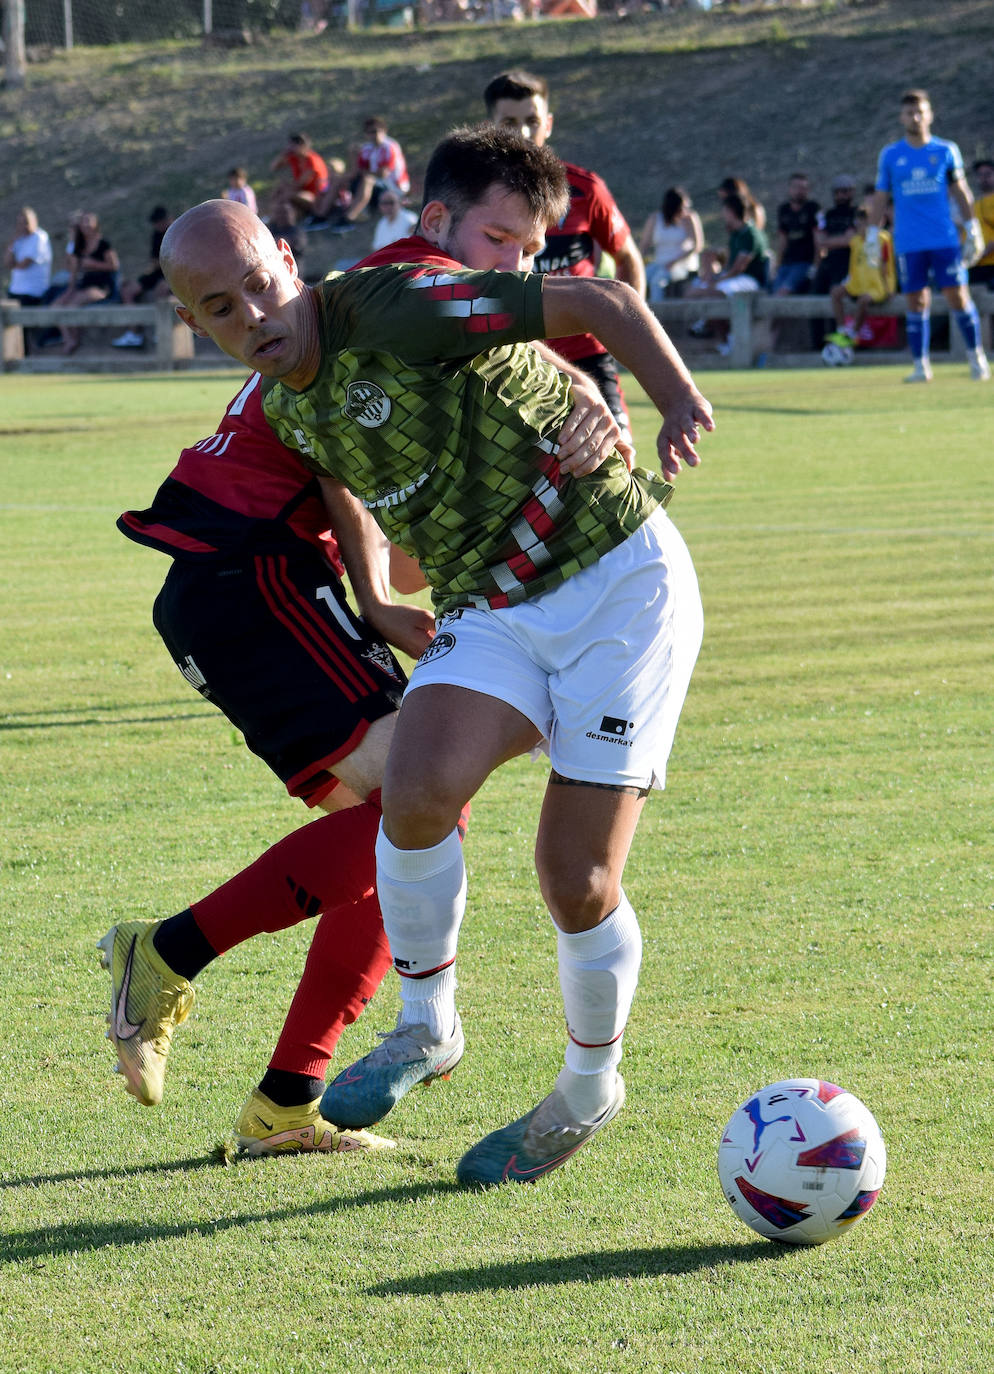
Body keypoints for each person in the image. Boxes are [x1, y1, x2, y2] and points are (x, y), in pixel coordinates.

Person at [158, 125, 713, 1189]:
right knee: (414, 792)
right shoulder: (287, 403)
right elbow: (389, 531)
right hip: (495, 601)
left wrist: (669, 401)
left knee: (576, 876)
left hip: (617, 584)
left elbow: (595, 302)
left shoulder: (392, 301)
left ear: (290, 259)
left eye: (262, 286)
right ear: (193, 325)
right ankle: (428, 1030)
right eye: (220, 311)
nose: (253, 318)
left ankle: (589, 1089)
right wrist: (384, 582)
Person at [483, 69, 647, 440]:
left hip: (588, 359)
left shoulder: (586, 190)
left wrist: (627, 330)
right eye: (509, 122)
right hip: (510, 359)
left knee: (619, 463)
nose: (522, 133)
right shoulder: (471, 201)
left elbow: (629, 259)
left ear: (549, 124)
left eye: (532, 121)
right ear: (489, 125)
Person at [869, 89, 990, 383]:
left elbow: (961, 191)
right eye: (910, 112)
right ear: (902, 117)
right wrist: (873, 233)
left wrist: (973, 229)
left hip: (944, 238)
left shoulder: (945, 150)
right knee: (915, 300)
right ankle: (921, 365)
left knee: (957, 296)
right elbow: (881, 196)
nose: (916, 117)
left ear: (930, 114)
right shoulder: (891, 155)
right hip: (909, 241)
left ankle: (977, 358)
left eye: (921, 111)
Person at [685, 192, 770, 354]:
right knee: (694, 290)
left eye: (725, 211)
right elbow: (729, 265)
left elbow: (739, 268)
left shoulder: (751, 234)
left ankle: (716, 330)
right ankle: (709, 326)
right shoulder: (735, 234)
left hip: (750, 280)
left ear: (732, 211)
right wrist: (713, 276)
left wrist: (716, 281)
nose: (723, 215)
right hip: (733, 278)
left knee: (715, 292)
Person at [821, 205, 897, 364]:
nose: (863, 227)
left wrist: (889, 288)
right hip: (858, 282)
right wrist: (848, 282)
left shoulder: (883, 239)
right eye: (860, 223)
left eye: (867, 223)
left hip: (877, 285)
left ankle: (853, 333)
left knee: (863, 300)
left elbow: (885, 264)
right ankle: (842, 330)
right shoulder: (855, 241)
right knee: (836, 293)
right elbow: (854, 265)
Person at [52, 211, 119, 355]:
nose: (86, 224)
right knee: (56, 306)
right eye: (84, 222)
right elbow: (74, 271)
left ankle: (75, 340)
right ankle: (68, 338)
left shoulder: (103, 244)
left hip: (101, 286)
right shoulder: (79, 246)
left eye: (89, 221)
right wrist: (69, 290)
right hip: (82, 285)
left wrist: (94, 264)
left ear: (96, 224)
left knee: (71, 307)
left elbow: (114, 266)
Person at [112, 205, 173, 349]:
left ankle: (163, 332)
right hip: (157, 273)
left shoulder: (177, 233)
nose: (156, 226)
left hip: (172, 273)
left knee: (162, 291)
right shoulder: (157, 235)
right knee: (127, 291)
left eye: (158, 222)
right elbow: (154, 262)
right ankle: (134, 334)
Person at [809, 174, 859, 348]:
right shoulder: (827, 214)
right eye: (838, 192)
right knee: (814, 296)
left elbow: (850, 240)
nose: (841, 196)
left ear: (852, 192)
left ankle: (837, 339)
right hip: (828, 262)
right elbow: (819, 242)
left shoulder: (857, 213)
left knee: (835, 296)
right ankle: (817, 344)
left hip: (848, 262)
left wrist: (830, 241)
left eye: (845, 191)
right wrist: (838, 241)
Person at [638, 187, 703, 303]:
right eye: (682, 207)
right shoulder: (655, 219)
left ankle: (657, 315)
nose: (685, 210)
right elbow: (645, 244)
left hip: (682, 264)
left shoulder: (689, 218)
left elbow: (697, 245)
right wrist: (638, 263)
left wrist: (674, 262)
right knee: (639, 277)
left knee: (657, 282)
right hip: (660, 263)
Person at [770, 171, 819, 295]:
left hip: (804, 263)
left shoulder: (813, 208)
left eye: (803, 188)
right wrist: (778, 264)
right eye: (796, 187)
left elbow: (818, 239)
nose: (799, 191)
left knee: (783, 292)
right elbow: (782, 239)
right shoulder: (784, 210)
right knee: (773, 293)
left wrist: (816, 265)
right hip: (786, 263)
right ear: (789, 189)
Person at [268, 133, 330, 223]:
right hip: (302, 194)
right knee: (282, 190)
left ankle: (274, 216)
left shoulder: (312, 161)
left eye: (293, 145)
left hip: (317, 197)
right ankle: (275, 216)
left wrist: (285, 187)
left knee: (286, 193)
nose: (290, 148)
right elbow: (273, 167)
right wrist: (283, 155)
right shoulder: (294, 158)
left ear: (302, 146)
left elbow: (300, 184)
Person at [5, 206, 52, 307]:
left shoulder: (40, 238)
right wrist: (12, 243)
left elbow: (24, 264)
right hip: (15, 290)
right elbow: (7, 263)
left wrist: (14, 265)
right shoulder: (19, 240)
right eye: (20, 223)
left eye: (26, 222)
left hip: (33, 293)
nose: (23, 226)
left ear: (35, 221)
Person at [968, 158, 994, 288]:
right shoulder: (973, 205)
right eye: (980, 175)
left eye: (988, 174)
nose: (984, 178)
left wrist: (987, 249)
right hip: (977, 266)